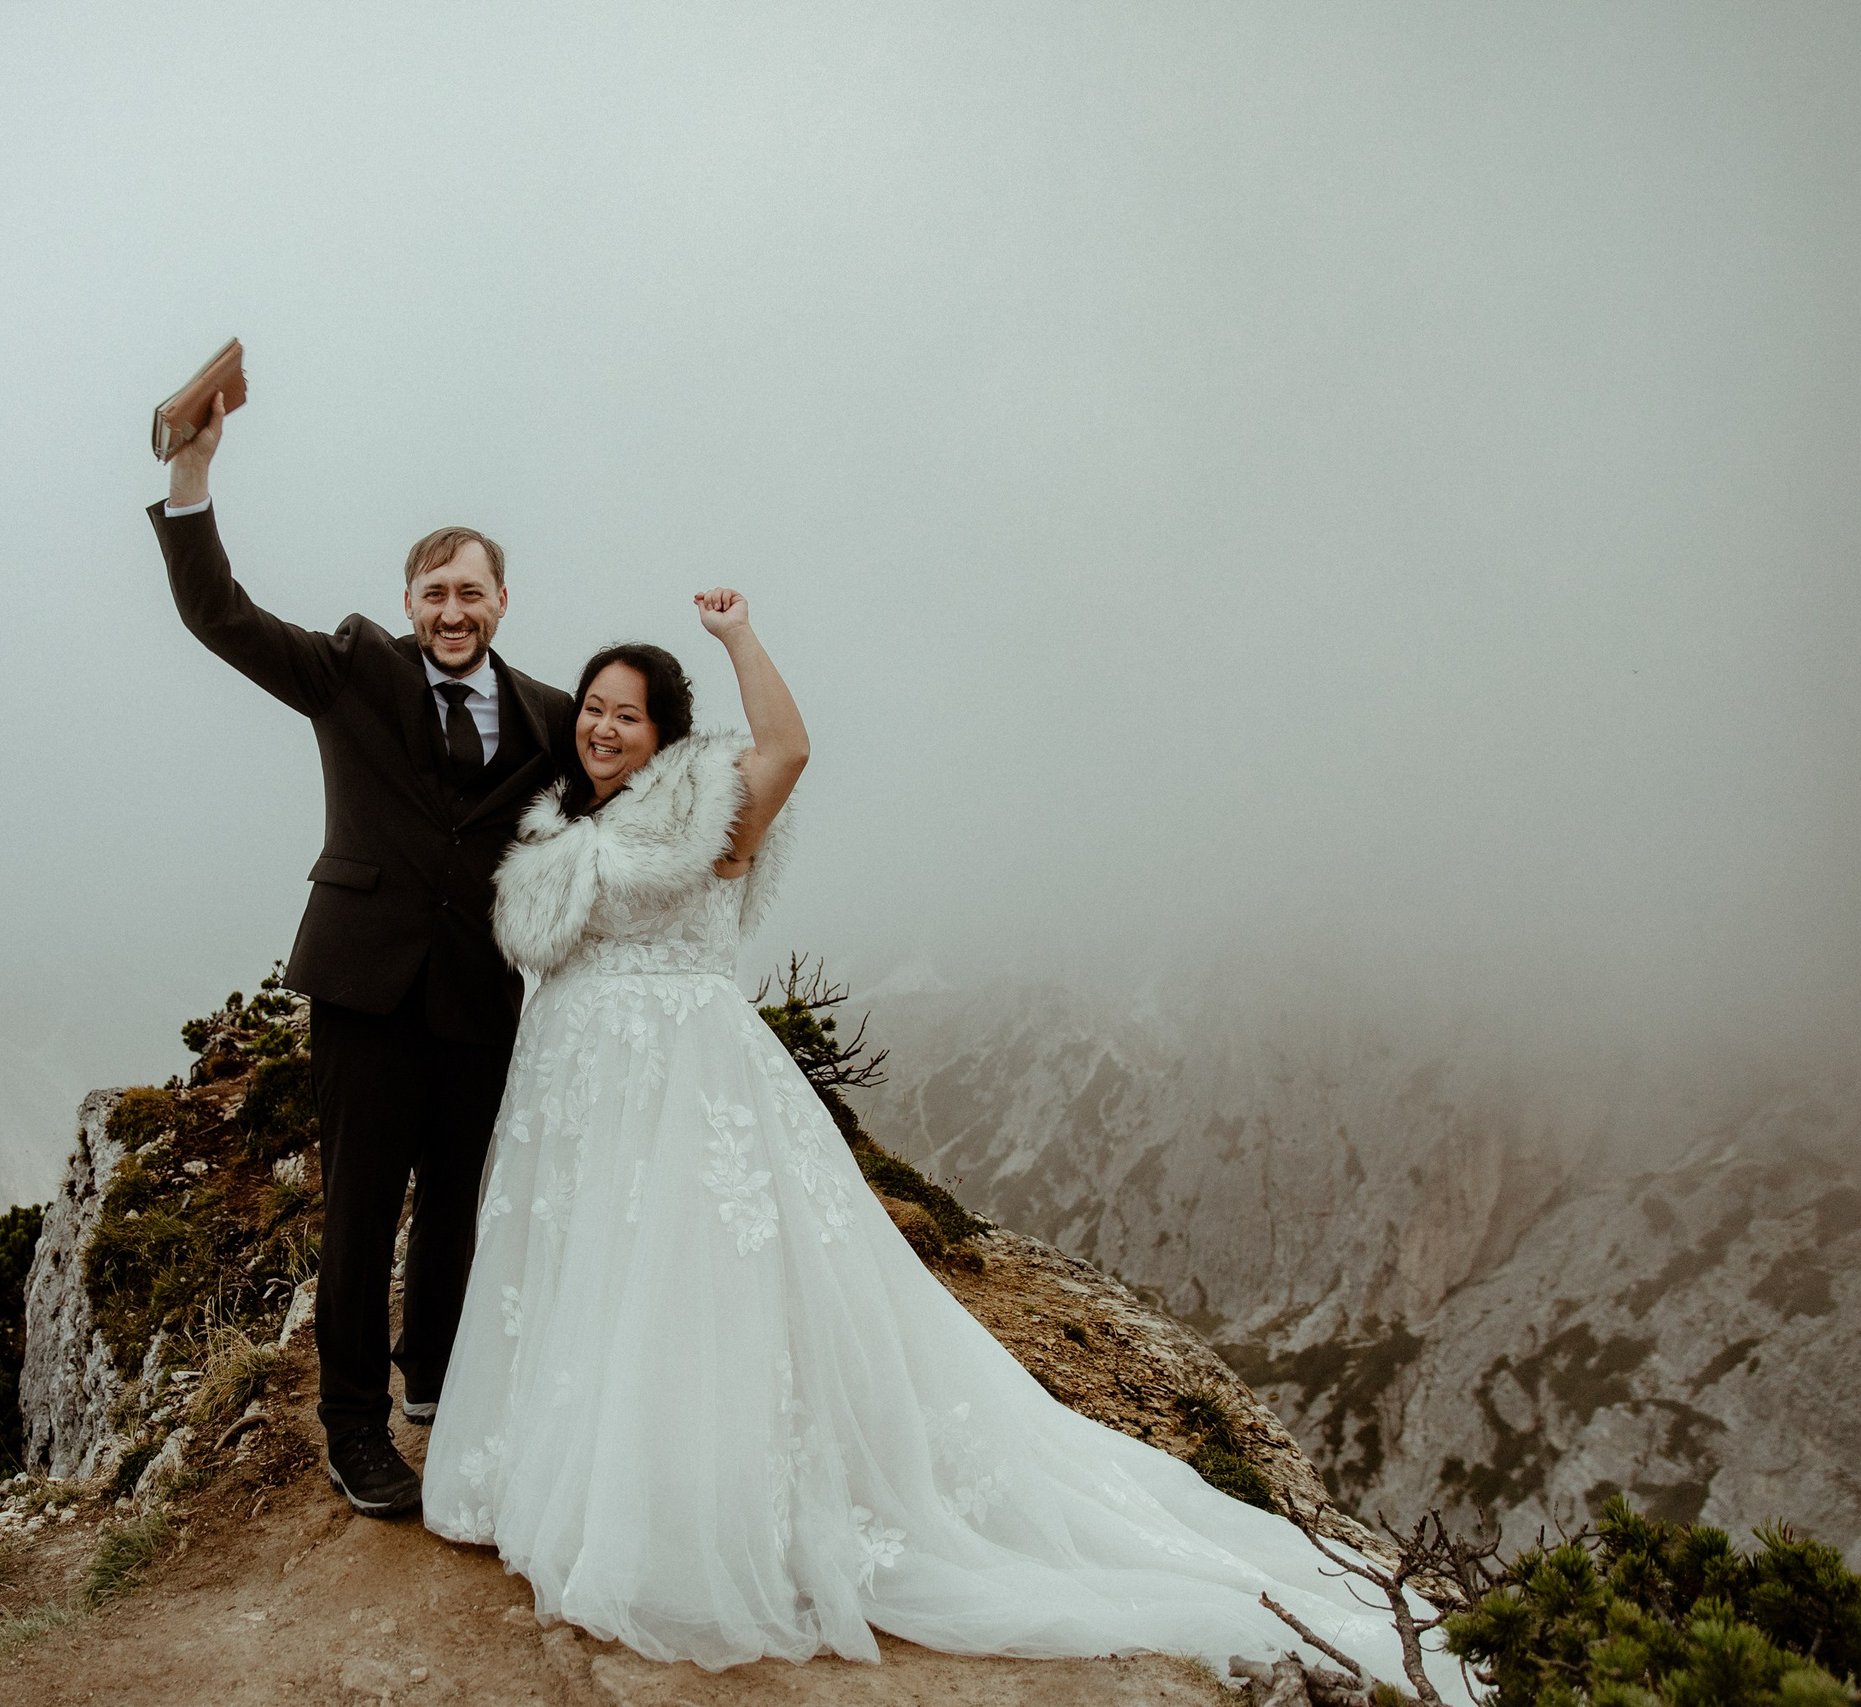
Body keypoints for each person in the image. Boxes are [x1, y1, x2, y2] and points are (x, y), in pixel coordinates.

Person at [422, 593, 1465, 1693]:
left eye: (627, 714)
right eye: (593, 708)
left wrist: (737, 637)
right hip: (578, 1097)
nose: (601, 726)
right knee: (592, 1273)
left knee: (682, 1285)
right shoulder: (559, 837)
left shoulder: (707, 815)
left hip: (682, 1086)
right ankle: (574, 1473)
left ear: (664, 734)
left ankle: (679, 1510)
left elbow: (789, 747)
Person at [150, 393, 575, 1518]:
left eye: (470, 591)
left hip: (481, 992)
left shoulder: (548, 717)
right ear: (408, 603)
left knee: (457, 1203)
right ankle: (353, 1428)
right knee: (360, 1212)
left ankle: (436, 1378)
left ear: (501, 600)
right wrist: (193, 478)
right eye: (433, 593)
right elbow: (219, 614)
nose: (452, 610)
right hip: (362, 988)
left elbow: (630, 787)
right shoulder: (352, 670)